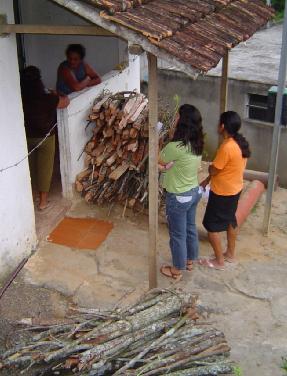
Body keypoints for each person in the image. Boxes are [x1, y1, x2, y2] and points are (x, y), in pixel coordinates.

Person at [200, 111, 251, 270]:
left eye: (219, 123)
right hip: (235, 189)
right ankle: (229, 254)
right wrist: (207, 180)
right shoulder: (240, 144)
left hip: (223, 192)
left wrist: (209, 169)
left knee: (210, 225)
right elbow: (227, 169)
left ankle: (219, 261)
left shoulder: (227, 147)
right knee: (230, 220)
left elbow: (215, 169)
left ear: (222, 126)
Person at [159, 104, 204, 281]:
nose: (175, 118)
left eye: (177, 116)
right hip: (193, 191)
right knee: (190, 228)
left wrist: (158, 141)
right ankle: (190, 261)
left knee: (177, 235)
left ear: (182, 121)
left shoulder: (176, 146)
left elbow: (159, 158)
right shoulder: (197, 143)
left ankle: (176, 270)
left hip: (178, 196)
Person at [21, 66, 70, 210]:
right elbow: (65, 102)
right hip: (46, 138)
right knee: (45, 168)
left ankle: (32, 195)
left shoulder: (20, 99)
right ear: (39, 81)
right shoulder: (48, 98)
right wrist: (59, 93)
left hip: (28, 138)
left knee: (31, 168)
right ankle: (42, 202)